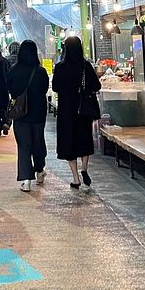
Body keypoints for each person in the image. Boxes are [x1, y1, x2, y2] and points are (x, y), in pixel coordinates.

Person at [52, 36, 101, 189]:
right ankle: (84, 169)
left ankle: (75, 178)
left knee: (69, 142)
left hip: (66, 111)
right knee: (84, 139)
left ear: (65, 48)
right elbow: (97, 86)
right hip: (83, 110)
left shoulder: (60, 67)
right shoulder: (86, 66)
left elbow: (55, 87)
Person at [7, 40, 49, 192]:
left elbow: (10, 89)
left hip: (20, 114)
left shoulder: (13, 70)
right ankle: (39, 171)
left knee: (24, 146)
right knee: (38, 142)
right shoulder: (41, 71)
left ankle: (26, 180)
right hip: (38, 113)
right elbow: (45, 89)